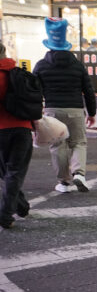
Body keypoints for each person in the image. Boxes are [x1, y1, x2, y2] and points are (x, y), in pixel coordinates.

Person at [33, 17, 96, 194]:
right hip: (75, 110)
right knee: (78, 142)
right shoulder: (77, 65)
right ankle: (79, 173)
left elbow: (34, 92)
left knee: (58, 145)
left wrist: (36, 115)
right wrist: (91, 113)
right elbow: (89, 90)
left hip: (52, 111)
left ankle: (64, 182)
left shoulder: (41, 65)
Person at [0, 43, 32, 230]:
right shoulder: (19, 73)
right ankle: (20, 206)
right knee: (14, 172)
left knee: (7, 173)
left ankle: (5, 215)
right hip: (22, 128)